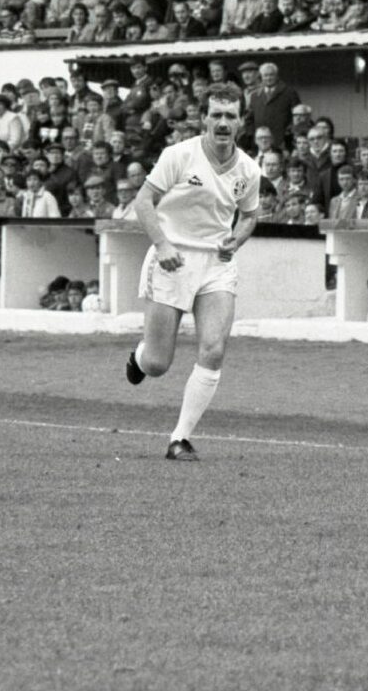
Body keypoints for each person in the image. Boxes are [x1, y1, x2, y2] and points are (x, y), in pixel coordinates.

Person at [123, 83, 261, 462]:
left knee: (214, 349)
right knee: (157, 363)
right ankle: (139, 358)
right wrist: (164, 245)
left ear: (241, 122)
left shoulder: (249, 169)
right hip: (172, 259)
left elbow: (250, 214)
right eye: (215, 114)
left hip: (216, 265)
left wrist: (237, 239)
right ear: (203, 118)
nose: (222, 122)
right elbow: (143, 201)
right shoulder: (179, 155)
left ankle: (179, 439)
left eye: (230, 115)